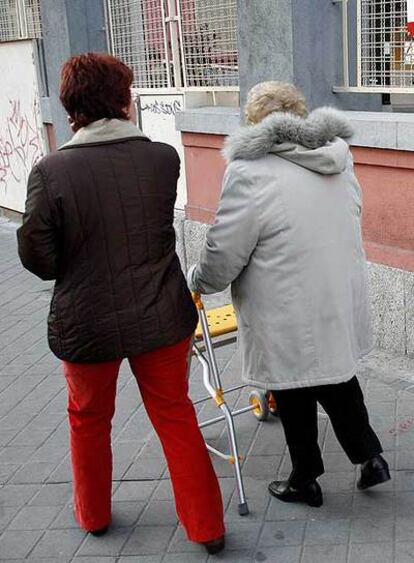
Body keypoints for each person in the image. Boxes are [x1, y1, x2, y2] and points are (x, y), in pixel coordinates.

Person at [17, 52, 225, 553]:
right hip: (158, 313)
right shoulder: (162, 158)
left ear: (70, 103)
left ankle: (93, 515)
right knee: (175, 414)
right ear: (123, 98)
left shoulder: (51, 171)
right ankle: (207, 527)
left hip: (86, 322)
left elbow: (39, 259)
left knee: (87, 420)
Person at [188, 81, 390, 508]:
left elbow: (226, 249)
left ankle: (305, 479)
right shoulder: (337, 158)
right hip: (335, 290)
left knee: (293, 385)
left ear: (254, 122)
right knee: (337, 376)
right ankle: (371, 457)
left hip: (285, 299)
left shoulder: (250, 171)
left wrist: (200, 279)